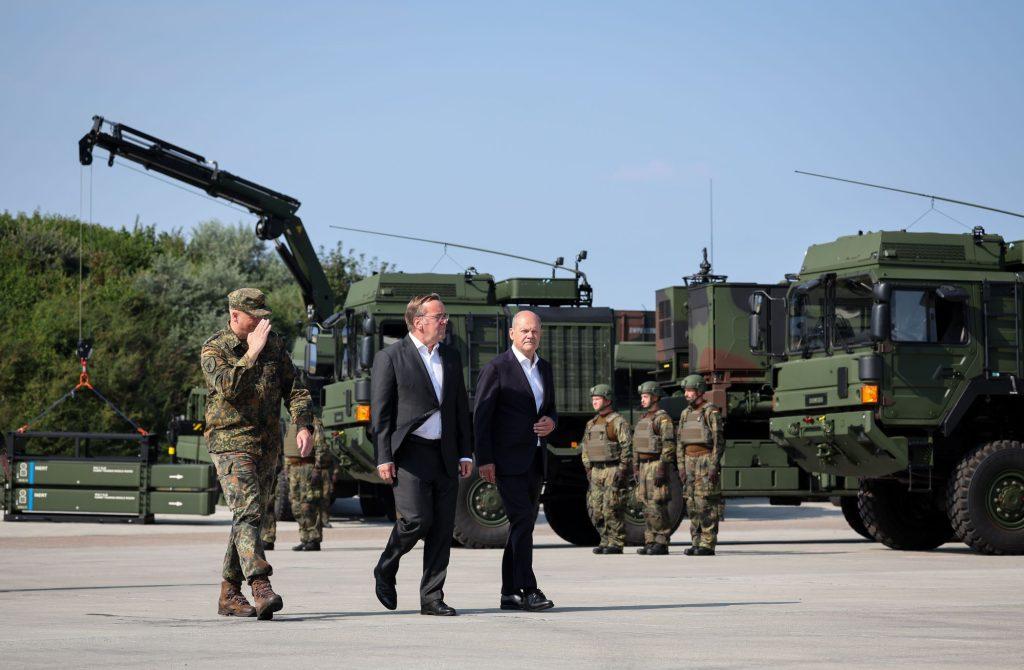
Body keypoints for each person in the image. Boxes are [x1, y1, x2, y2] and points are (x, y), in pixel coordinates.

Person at [201, 288, 313, 620]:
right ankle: (260, 584)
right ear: (235, 315)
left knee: (249, 518)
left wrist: (303, 425)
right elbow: (230, 388)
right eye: (256, 316)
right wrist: (251, 353)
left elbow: (296, 388)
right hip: (230, 441)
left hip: (267, 444)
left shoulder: (275, 344)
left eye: (265, 314)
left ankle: (228, 594)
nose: (263, 321)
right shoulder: (214, 349)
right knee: (248, 513)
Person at [371, 294, 473, 616]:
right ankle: (386, 567)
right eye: (439, 317)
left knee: (443, 527)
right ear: (419, 322)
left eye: (444, 317)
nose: (445, 322)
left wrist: (466, 453)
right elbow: (381, 413)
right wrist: (384, 456)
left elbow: (459, 408)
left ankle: (432, 597)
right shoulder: (390, 357)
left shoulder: (452, 357)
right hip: (409, 452)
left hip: (444, 452)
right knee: (416, 520)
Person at [474, 310, 557, 611]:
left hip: (535, 457)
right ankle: (529, 588)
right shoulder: (497, 368)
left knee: (522, 525)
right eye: (523, 330)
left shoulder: (544, 368)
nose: (529, 335)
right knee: (522, 520)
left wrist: (552, 422)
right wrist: (485, 459)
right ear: (511, 333)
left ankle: (509, 592)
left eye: (534, 331)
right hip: (507, 460)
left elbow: (550, 409)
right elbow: (481, 417)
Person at [581, 384, 633, 554]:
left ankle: (616, 542)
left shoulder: (618, 422)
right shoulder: (591, 424)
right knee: (597, 509)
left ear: (608, 400)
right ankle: (604, 539)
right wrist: (588, 468)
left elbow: (627, 446)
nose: (594, 402)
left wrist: (623, 468)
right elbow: (585, 448)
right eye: (593, 399)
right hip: (596, 471)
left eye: (598, 399)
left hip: (612, 469)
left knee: (612, 507)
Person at [677, 374, 725, 556]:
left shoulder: (710, 412)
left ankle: (707, 543)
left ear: (699, 391)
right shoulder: (685, 414)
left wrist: (713, 465)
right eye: (686, 391)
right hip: (689, 461)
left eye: (689, 391)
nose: (686, 394)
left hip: (705, 460)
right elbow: (680, 442)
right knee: (692, 503)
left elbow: (718, 441)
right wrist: (681, 466)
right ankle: (696, 541)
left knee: (706, 502)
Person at [633, 381, 675, 555]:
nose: (642, 400)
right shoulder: (643, 419)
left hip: (656, 463)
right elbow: (636, 444)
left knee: (657, 503)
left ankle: (661, 541)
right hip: (643, 466)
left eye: (645, 396)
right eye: (642, 397)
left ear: (655, 397)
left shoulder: (662, 418)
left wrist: (663, 467)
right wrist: (635, 466)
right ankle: (650, 540)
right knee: (645, 504)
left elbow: (669, 444)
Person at [287, 417, 328, 551]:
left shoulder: (312, 422)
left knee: (309, 504)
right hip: (294, 469)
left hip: (307, 467)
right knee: (296, 505)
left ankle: (314, 539)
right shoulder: (292, 422)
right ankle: (305, 538)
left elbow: (321, 446)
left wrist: (317, 468)